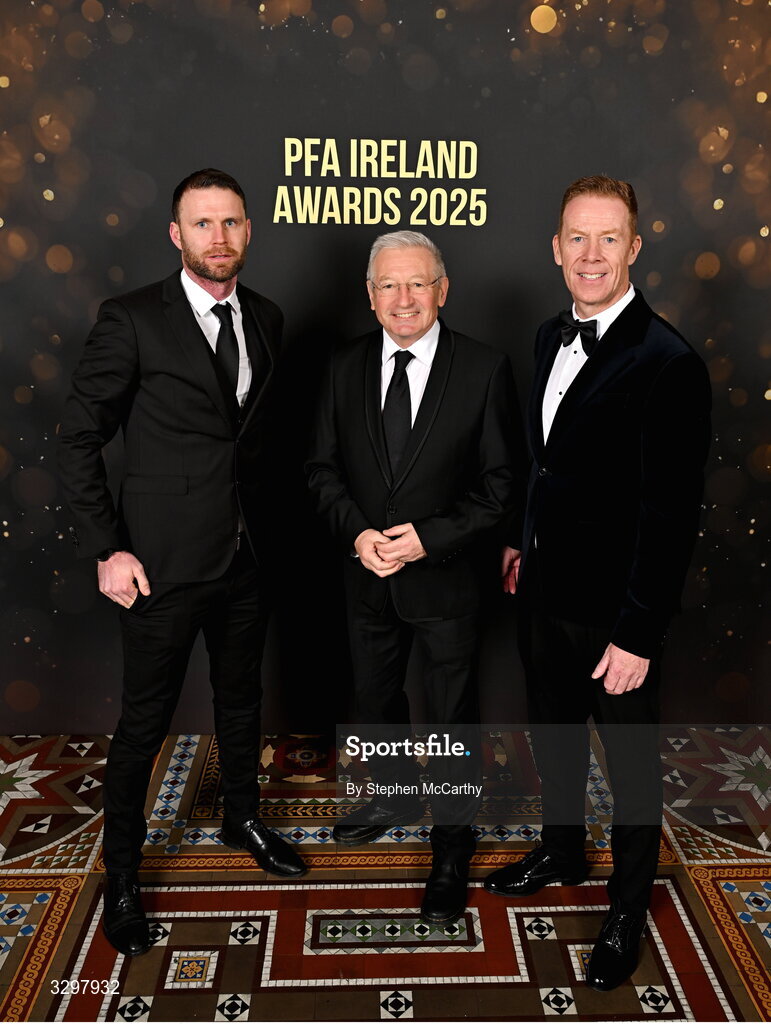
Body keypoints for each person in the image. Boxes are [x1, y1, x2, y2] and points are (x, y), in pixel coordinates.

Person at [58, 168, 306, 958]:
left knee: (240, 703)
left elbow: (253, 442)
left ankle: (242, 817)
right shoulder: (130, 320)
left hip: (246, 557)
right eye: (202, 224)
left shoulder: (265, 316)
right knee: (143, 726)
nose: (218, 237)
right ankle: (122, 876)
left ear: (249, 230)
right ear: (177, 235)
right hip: (158, 566)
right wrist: (109, 546)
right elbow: (76, 440)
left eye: (231, 222)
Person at [484, 175, 711, 990]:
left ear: (634, 248)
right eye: (576, 238)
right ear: (555, 247)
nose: (589, 255)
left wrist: (637, 632)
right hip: (544, 588)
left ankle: (623, 905)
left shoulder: (667, 362)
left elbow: (668, 515)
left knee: (632, 764)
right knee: (551, 734)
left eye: (606, 238)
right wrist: (522, 542)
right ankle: (560, 845)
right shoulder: (548, 336)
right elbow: (547, 466)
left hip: (616, 613)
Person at [307, 230, 524, 925]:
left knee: (452, 721)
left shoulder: (484, 368)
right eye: (388, 286)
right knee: (375, 702)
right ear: (369, 296)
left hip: (446, 584)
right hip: (364, 575)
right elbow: (320, 470)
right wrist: (357, 533)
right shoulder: (342, 367)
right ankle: (396, 794)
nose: (404, 299)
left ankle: (452, 850)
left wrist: (427, 539)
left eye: (417, 283)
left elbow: (498, 487)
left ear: (442, 290)